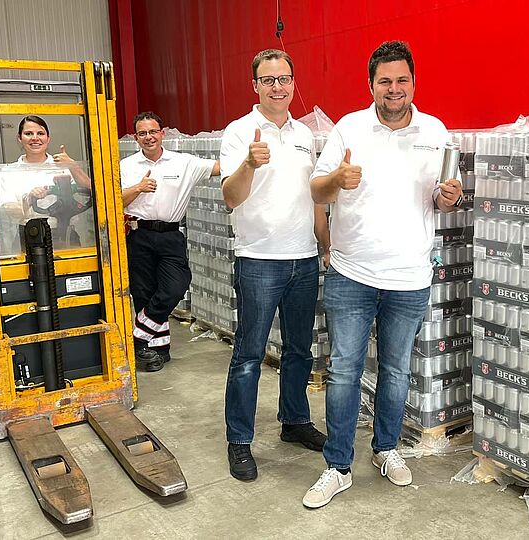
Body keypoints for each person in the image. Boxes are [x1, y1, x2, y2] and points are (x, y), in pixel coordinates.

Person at [302, 41, 463, 508]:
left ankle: (386, 448)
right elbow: (316, 189)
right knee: (343, 371)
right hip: (351, 273)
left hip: (409, 276)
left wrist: (448, 199)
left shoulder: (435, 131)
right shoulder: (349, 128)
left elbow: (441, 198)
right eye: (385, 81)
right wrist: (337, 180)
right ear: (371, 84)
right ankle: (337, 466)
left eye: (402, 80)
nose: (394, 89)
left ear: (414, 83)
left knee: (395, 371)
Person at [218, 49, 331, 482]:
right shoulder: (238, 132)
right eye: (268, 80)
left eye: (284, 79)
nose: (278, 87)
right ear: (255, 86)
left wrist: (325, 244)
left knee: (300, 349)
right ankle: (239, 440)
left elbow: (314, 196)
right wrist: (249, 162)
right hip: (259, 260)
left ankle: (295, 420)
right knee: (249, 354)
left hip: (303, 258)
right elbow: (231, 197)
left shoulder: (304, 134)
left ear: (293, 82)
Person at [120, 111, 221, 372]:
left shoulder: (183, 162)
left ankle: (137, 339)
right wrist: (138, 188)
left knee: (176, 285)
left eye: (153, 131)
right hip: (139, 233)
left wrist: (251, 157)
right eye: (142, 133)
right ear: (135, 137)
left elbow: (219, 167)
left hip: (171, 235)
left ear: (162, 133)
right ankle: (157, 350)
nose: (148, 137)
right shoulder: (125, 166)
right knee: (144, 293)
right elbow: (115, 202)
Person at [0, 115, 94, 258]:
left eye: (40, 133)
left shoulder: (63, 165)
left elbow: (94, 191)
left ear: (48, 138)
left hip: (66, 235)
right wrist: (30, 199)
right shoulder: (9, 172)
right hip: (30, 236)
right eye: (28, 133)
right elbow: (10, 212)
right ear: (19, 138)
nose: (35, 138)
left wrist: (73, 166)